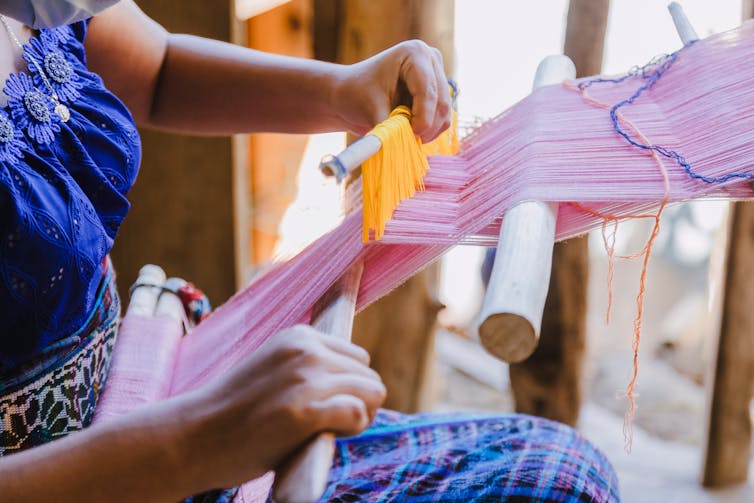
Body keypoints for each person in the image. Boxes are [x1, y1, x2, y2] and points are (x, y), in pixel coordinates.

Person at [0, 1, 619, 501]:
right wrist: (187, 447)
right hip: (109, 471)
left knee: (564, 473)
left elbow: (154, 70)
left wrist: (341, 90)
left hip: (143, 389)